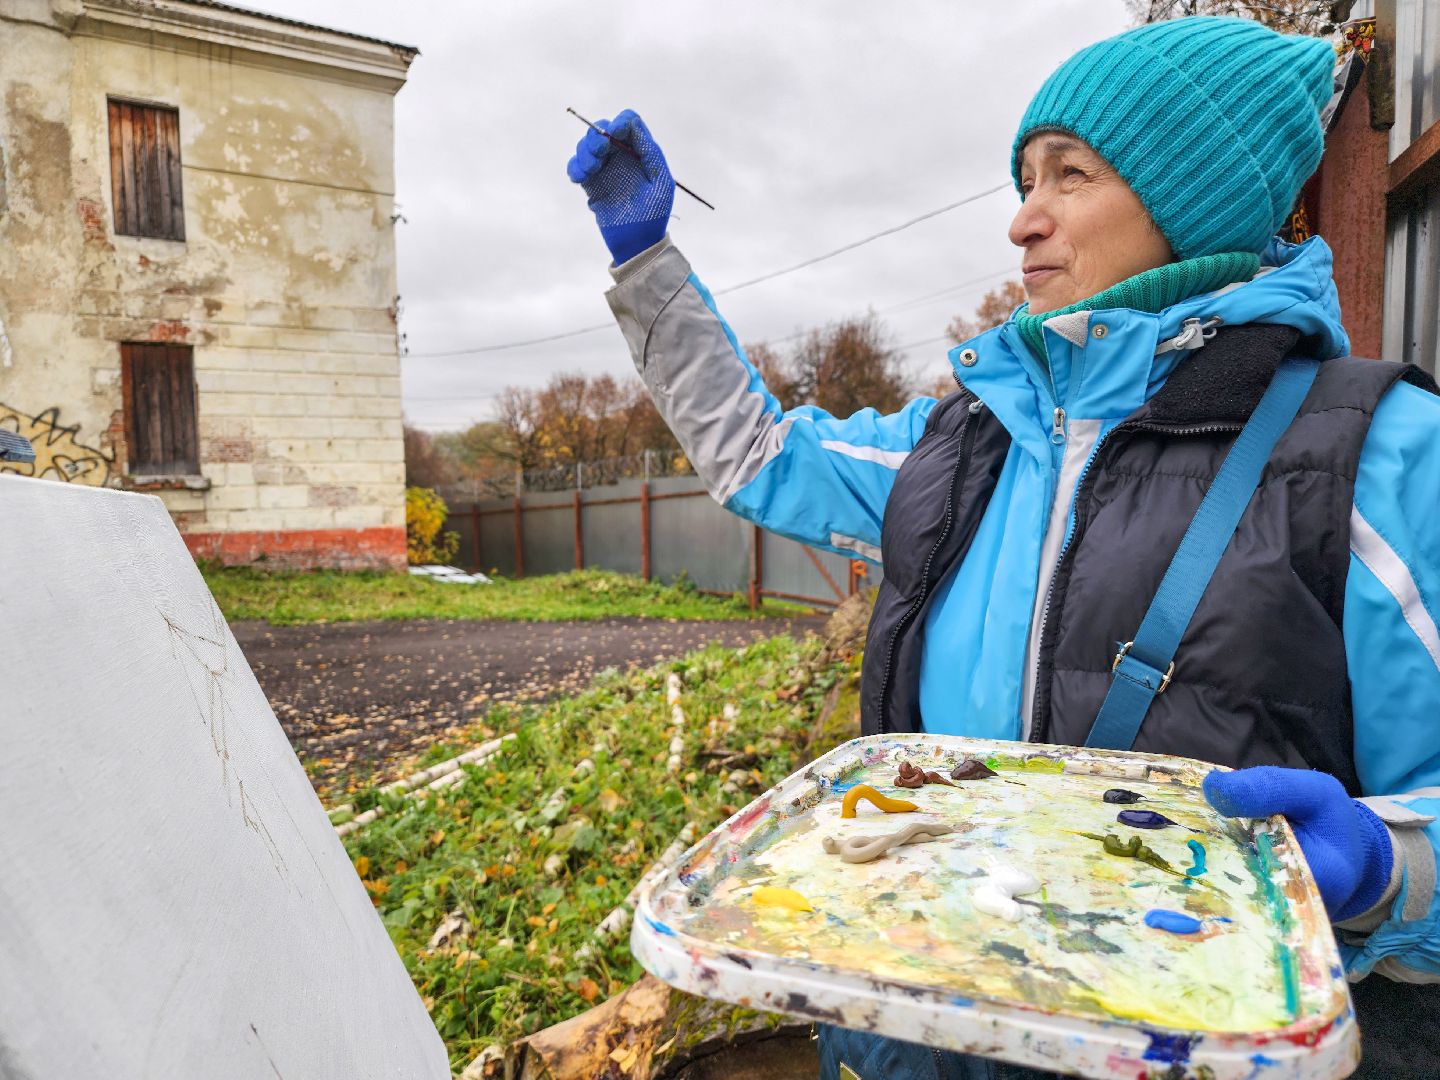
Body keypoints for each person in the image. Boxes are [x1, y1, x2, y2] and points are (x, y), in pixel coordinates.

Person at [567, 15, 1440, 1079]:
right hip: (925, 1023)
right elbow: (756, 456)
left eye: (1070, 176)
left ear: (1195, 199)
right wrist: (647, 262)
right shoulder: (965, 442)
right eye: (1025, 180)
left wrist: (1383, 868)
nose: (1024, 221)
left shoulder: (1374, 457)